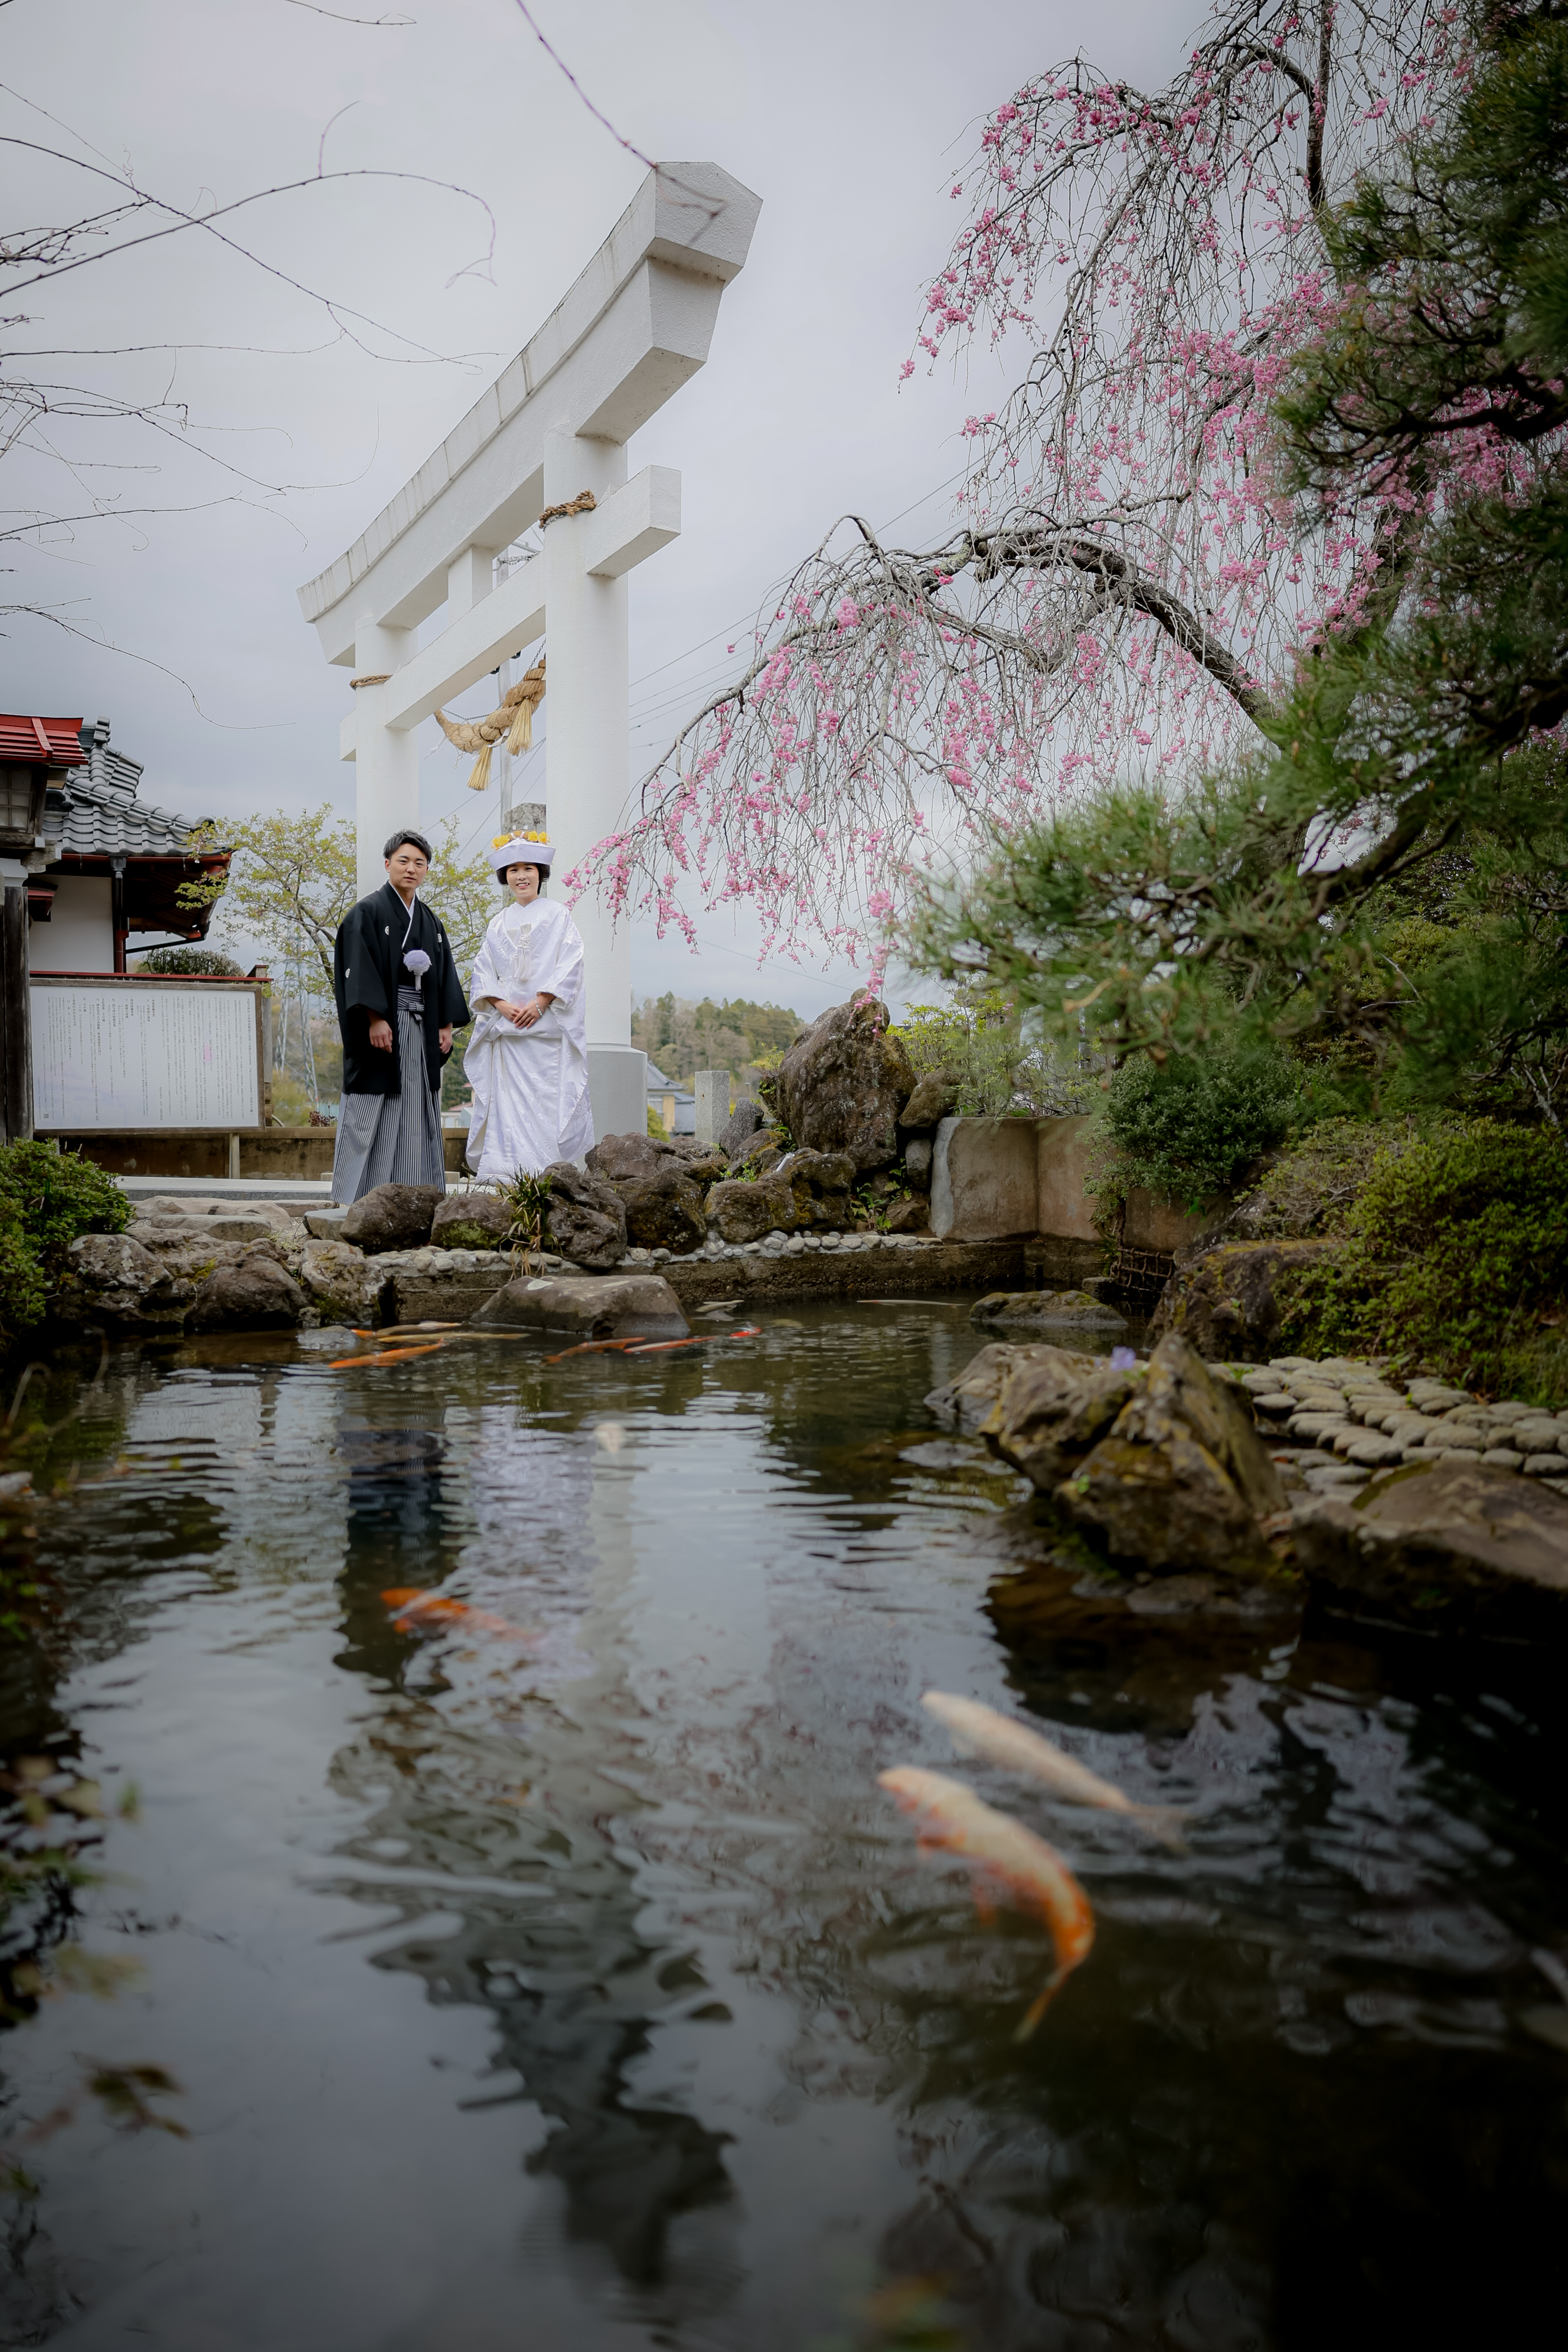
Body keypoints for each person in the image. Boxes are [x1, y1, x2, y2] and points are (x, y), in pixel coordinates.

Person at [331, 828, 471, 1202]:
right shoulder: (367, 912)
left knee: (416, 1106)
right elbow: (358, 969)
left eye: (420, 863)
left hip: (422, 1026)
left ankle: (416, 1196)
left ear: (427, 870)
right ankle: (356, 1199)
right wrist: (375, 1018)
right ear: (388, 864)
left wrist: (445, 1025)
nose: (412, 869)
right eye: (404, 861)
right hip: (385, 1026)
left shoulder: (429, 920)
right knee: (371, 1108)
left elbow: (443, 973)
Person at [463, 831, 593, 1178]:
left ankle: (547, 1175)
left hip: (546, 1035)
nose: (521, 876)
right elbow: (482, 969)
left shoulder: (558, 915)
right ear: (504, 877)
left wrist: (541, 1002)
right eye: (512, 870)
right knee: (506, 1108)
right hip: (508, 1035)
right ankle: (504, 1175)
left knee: (546, 1104)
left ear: (540, 872)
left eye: (528, 868)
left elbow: (571, 963)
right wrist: (500, 1004)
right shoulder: (497, 923)